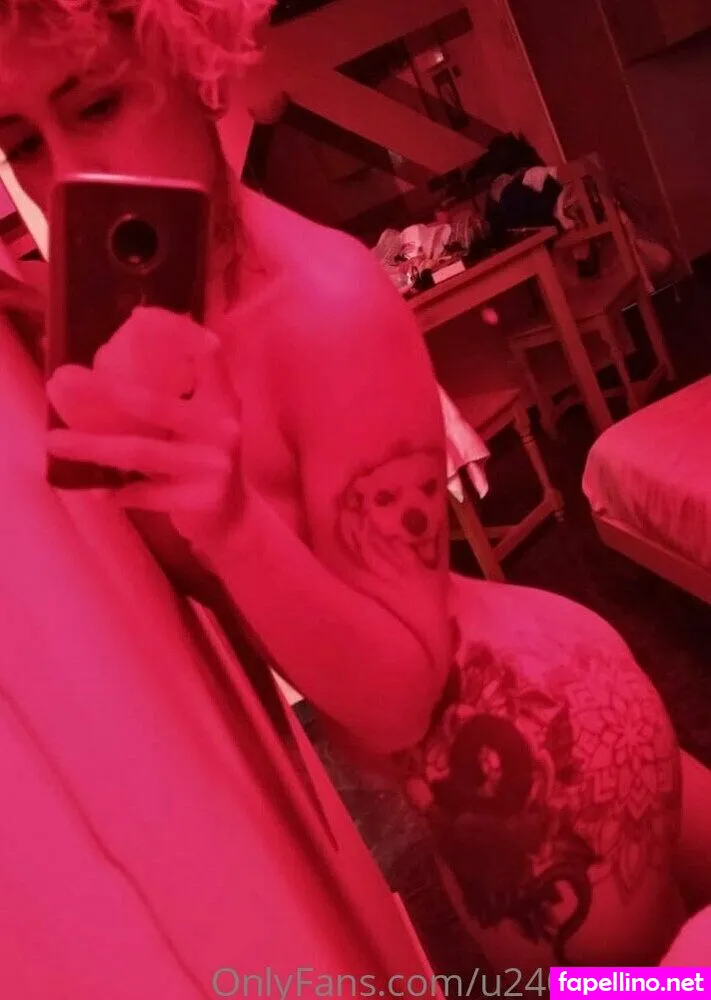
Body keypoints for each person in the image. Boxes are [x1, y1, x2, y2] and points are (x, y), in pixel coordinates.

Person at [0, 0, 700, 975]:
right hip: (526, 741)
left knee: (641, 994)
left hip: (540, 779)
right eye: (22, 143)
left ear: (196, 61)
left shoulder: (321, 309)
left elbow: (404, 701)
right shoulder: (144, 290)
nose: (67, 173)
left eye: (97, 104)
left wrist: (229, 517)